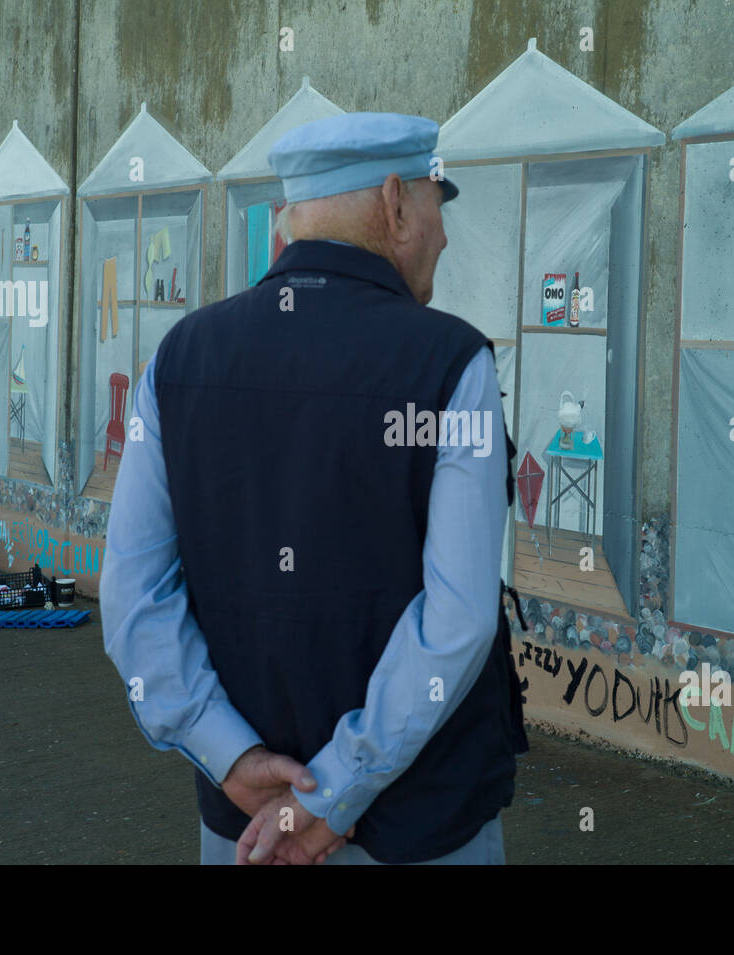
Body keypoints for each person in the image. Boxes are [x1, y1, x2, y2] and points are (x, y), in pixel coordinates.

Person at [101, 112, 526, 866]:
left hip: (249, 834)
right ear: (395, 203)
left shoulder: (177, 361)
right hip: (423, 833)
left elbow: (133, 598)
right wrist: (330, 793)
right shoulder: (454, 363)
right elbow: (458, 617)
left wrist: (228, 755)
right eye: (437, 202)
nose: (445, 234)